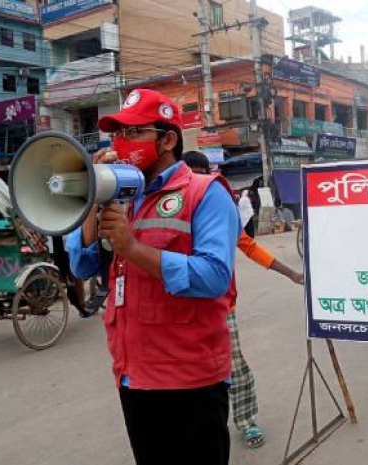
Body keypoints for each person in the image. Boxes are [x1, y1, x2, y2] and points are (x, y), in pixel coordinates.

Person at [66, 89, 240, 465]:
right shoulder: (121, 196)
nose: (121, 144)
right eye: (117, 134)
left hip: (190, 380)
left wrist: (132, 248)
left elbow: (214, 276)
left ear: (168, 139)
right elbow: (81, 267)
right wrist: (93, 204)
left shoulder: (205, 194)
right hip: (133, 375)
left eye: (133, 133)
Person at [183, 150, 305, 448]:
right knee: (187, 374)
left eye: (202, 175)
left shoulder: (219, 212)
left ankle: (246, 420)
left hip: (221, 306)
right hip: (179, 308)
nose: (197, 183)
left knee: (234, 366)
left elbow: (250, 247)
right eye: (191, 176)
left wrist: (290, 273)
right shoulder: (170, 211)